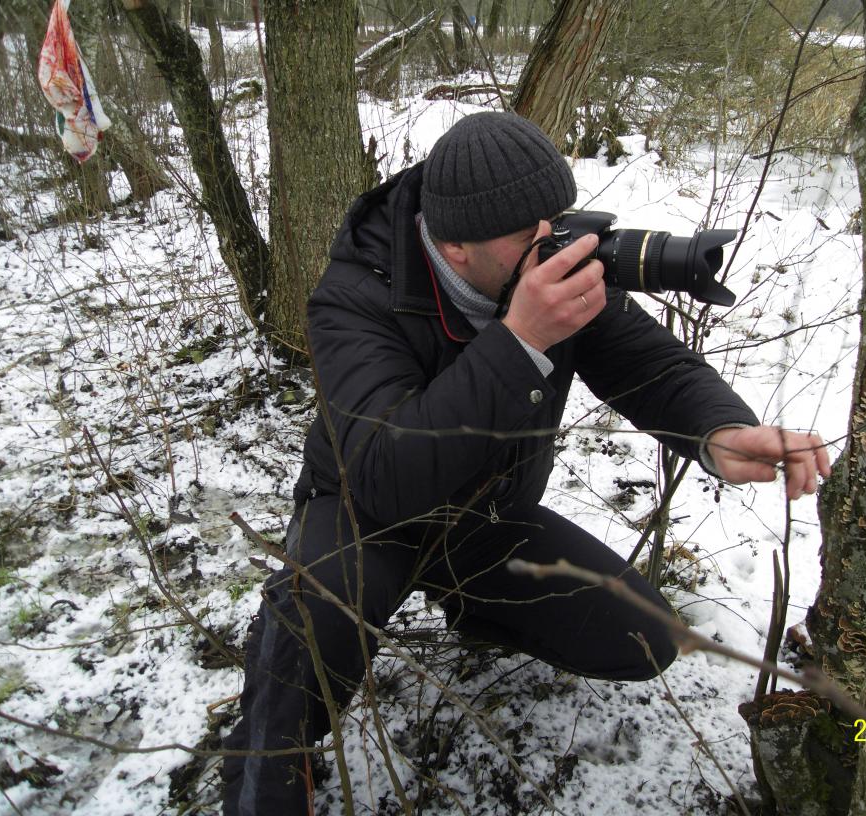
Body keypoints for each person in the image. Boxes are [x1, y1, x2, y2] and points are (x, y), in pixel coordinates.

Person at [221, 112, 831, 814]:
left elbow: (648, 363)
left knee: (644, 640)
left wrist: (720, 431)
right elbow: (385, 476)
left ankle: (473, 605)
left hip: (487, 515)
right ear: (455, 247)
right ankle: (270, 757)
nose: (554, 242)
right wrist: (520, 340)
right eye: (528, 232)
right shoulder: (356, 297)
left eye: (557, 219)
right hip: (366, 516)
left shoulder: (539, 269)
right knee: (319, 608)